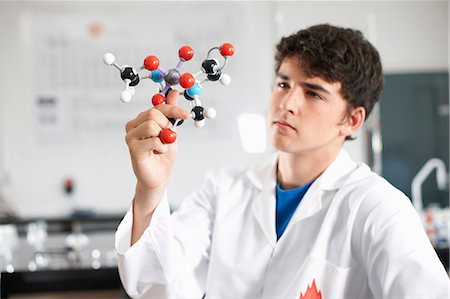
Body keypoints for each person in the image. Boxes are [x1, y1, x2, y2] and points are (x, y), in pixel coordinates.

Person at [115, 24, 449, 298]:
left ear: (352, 120)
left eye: (313, 92)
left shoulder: (376, 206)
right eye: (283, 83)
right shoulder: (224, 189)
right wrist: (151, 189)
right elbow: (155, 287)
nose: (287, 103)